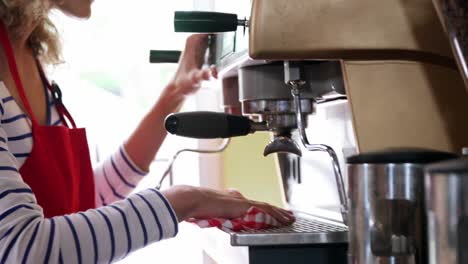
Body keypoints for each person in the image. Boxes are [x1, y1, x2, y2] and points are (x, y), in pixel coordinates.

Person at [0, 0, 295, 263]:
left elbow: (84, 203)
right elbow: (24, 250)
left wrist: (176, 92)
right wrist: (185, 199)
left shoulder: (28, 55)